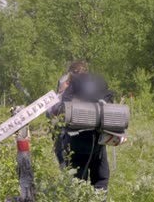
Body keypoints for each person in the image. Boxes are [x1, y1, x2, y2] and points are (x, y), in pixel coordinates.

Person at [48, 60, 112, 191]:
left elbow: (51, 113)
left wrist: (61, 92)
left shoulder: (68, 89)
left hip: (75, 141)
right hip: (98, 140)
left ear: (71, 75)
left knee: (77, 181)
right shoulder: (97, 84)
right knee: (100, 179)